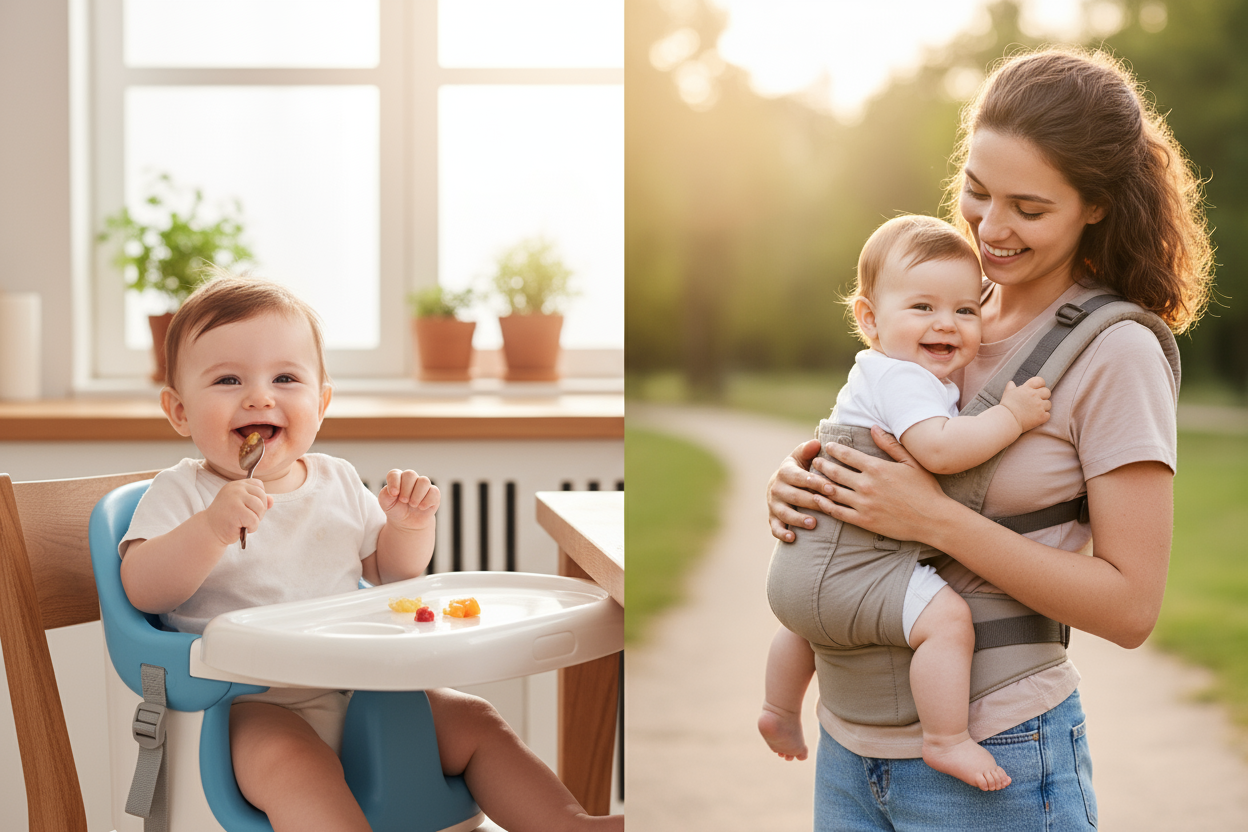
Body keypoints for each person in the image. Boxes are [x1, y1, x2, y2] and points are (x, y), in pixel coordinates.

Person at [765, 47, 1211, 831]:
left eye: (1028, 209)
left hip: (998, 747)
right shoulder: (941, 311)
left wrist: (932, 520)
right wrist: (806, 484)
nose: (990, 228)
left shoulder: (1115, 352)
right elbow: (879, 440)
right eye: (976, 192)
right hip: (847, 743)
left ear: (1096, 205)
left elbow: (1132, 607)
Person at [119, 274, 622, 832]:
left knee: (476, 722)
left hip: (361, 684)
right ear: (180, 411)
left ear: (322, 401)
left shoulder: (336, 481)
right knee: (297, 769)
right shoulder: (181, 492)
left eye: (285, 377)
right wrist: (210, 529)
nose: (259, 396)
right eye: (228, 379)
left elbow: (391, 573)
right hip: (249, 704)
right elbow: (142, 588)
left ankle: (572, 826)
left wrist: (407, 526)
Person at [759, 214, 1052, 792]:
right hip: (854, 564)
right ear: (869, 319)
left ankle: (778, 709)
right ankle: (946, 739)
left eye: (966, 310)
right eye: (923, 308)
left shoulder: (873, 372)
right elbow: (939, 451)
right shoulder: (904, 379)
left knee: (806, 626)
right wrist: (1010, 418)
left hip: (797, 577)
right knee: (947, 622)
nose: (947, 323)